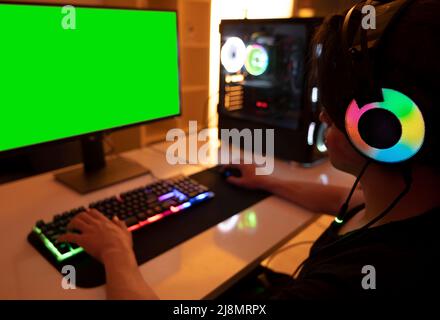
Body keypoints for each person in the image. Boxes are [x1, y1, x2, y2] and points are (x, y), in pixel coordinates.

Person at [59, 0, 440, 300]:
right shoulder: (407, 204)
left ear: (383, 127)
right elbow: (351, 198)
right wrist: (269, 181)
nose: (322, 112)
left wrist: (116, 254)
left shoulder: (347, 285)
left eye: (336, 104)